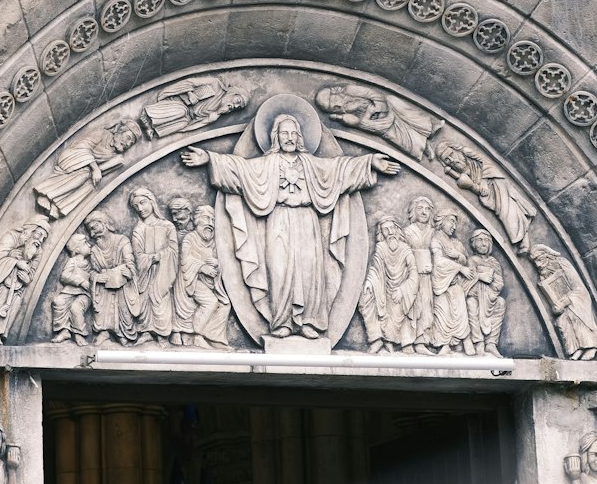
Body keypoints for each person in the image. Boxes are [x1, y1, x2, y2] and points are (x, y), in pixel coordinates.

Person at [183, 112, 398, 339]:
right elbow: (240, 169)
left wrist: (369, 162)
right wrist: (209, 158)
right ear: (276, 136)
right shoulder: (268, 164)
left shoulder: (310, 163)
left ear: (300, 137)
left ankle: (310, 322)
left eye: (293, 133)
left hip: (308, 221)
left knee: (310, 270)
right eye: (284, 133)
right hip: (278, 221)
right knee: (280, 269)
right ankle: (282, 321)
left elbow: (339, 169)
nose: (289, 138)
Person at [34, 119, 140, 218]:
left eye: (131, 143)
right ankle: (47, 195)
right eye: (128, 138)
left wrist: (113, 164)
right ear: (119, 131)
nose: (128, 143)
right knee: (84, 174)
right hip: (73, 156)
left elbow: (99, 174)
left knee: (91, 183)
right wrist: (95, 169)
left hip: (86, 170)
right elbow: (82, 147)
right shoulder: (102, 134)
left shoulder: (115, 155)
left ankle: (58, 205)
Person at [0, 221, 49, 345]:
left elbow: (32, 272)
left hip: (17, 287)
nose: (40, 240)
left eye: (44, 238)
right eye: (39, 234)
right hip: (1, 280)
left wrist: (26, 279)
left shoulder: (38, 251)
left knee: (15, 304)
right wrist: (14, 262)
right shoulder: (12, 237)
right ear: (30, 231)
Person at [315, 83, 441, 161]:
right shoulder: (342, 115)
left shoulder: (350, 90)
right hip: (376, 124)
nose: (336, 105)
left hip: (383, 107)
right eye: (332, 108)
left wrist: (378, 109)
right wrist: (345, 119)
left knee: (399, 105)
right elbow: (358, 122)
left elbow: (372, 93)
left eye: (333, 101)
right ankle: (423, 147)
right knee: (395, 137)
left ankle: (429, 127)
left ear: (334, 92)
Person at [532, 245, 597, 359]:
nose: (537, 264)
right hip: (565, 305)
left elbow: (578, 287)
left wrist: (566, 301)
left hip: (578, 298)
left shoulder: (562, 264)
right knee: (562, 321)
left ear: (548, 256)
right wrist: (556, 306)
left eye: (539, 259)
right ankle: (577, 348)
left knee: (575, 317)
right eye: (534, 261)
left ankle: (592, 346)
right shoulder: (543, 274)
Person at [359, 217, 420, 353]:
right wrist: (369, 281)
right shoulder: (381, 247)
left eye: (392, 228)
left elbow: (414, 272)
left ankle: (389, 342)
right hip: (382, 288)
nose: (390, 232)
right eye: (385, 230)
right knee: (365, 299)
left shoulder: (405, 249)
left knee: (395, 311)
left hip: (401, 289)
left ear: (397, 230)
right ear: (382, 233)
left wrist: (403, 289)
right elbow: (375, 268)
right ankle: (375, 339)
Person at [128, 188, 180, 343]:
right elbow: (138, 255)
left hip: (163, 272)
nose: (140, 208)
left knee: (161, 301)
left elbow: (173, 250)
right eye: (136, 206)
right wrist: (150, 259)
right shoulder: (139, 229)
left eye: (143, 203)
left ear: (152, 201)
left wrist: (160, 256)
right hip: (145, 273)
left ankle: (162, 335)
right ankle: (145, 332)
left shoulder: (168, 226)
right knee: (144, 299)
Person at [176, 206, 231, 348]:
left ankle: (214, 337)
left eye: (213, 219)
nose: (211, 223)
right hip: (190, 281)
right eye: (207, 218)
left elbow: (223, 261)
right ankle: (197, 336)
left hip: (210, 283)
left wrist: (217, 263)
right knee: (211, 302)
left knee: (225, 304)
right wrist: (202, 267)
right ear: (197, 220)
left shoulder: (213, 241)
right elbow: (185, 260)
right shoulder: (190, 238)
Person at [85, 213, 142, 345]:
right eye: (91, 231)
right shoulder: (94, 250)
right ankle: (104, 332)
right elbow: (92, 271)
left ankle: (122, 333)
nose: (93, 234)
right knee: (104, 307)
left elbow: (130, 263)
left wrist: (128, 272)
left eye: (95, 228)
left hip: (122, 285)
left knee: (124, 311)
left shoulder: (122, 241)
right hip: (104, 288)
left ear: (104, 224)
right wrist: (97, 277)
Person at [429, 212, 474, 353]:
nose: (454, 226)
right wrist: (459, 267)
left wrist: (462, 259)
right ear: (441, 221)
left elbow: (468, 260)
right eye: (451, 221)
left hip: (455, 284)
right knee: (442, 313)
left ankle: (465, 340)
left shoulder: (456, 243)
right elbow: (438, 261)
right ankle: (445, 345)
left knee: (461, 312)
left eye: (455, 223)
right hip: (441, 285)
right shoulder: (436, 240)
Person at [400, 196, 437, 352]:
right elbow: (403, 254)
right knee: (412, 308)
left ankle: (421, 342)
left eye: (427, 209)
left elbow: (439, 254)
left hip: (428, 278)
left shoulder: (433, 232)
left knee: (427, 309)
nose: (424, 212)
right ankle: (407, 343)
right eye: (420, 208)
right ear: (413, 211)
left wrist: (433, 266)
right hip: (412, 277)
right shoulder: (408, 232)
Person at [464, 230, 506, 356]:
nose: (484, 243)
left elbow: (500, 283)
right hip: (475, 296)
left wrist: (493, 283)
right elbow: (466, 283)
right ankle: (478, 342)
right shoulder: (471, 260)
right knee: (471, 303)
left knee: (501, 302)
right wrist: (479, 277)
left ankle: (491, 343)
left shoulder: (494, 262)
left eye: (487, 240)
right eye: (480, 240)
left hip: (490, 297)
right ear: (473, 244)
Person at [51, 231, 92, 342]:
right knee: (58, 301)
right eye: (85, 243)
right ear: (77, 250)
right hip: (70, 291)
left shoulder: (92, 262)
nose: (89, 245)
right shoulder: (73, 261)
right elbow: (64, 276)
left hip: (85, 294)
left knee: (76, 307)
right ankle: (64, 331)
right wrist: (80, 281)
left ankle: (79, 334)